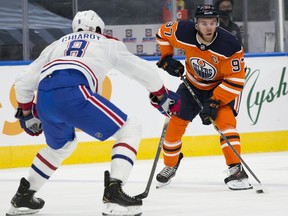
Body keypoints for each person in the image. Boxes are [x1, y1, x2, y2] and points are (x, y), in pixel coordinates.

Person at [6, 10, 180, 216]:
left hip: (44, 97)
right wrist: (161, 95)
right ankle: (115, 192)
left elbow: (24, 80)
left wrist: (26, 112)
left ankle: (23, 198)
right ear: (99, 29)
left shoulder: (56, 44)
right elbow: (139, 69)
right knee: (130, 128)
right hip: (73, 90)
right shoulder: (106, 41)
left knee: (61, 146)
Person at [155, 5, 253, 191]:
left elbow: (236, 81)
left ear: (216, 23)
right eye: (203, 23)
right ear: (196, 24)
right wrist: (167, 57)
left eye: (212, 23)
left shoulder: (229, 45)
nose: (208, 27)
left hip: (222, 87)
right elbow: (162, 34)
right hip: (192, 84)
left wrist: (214, 101)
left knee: (226, 124)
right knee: (173, 125)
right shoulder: (183, 31)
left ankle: (236, 169)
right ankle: (170, 164)